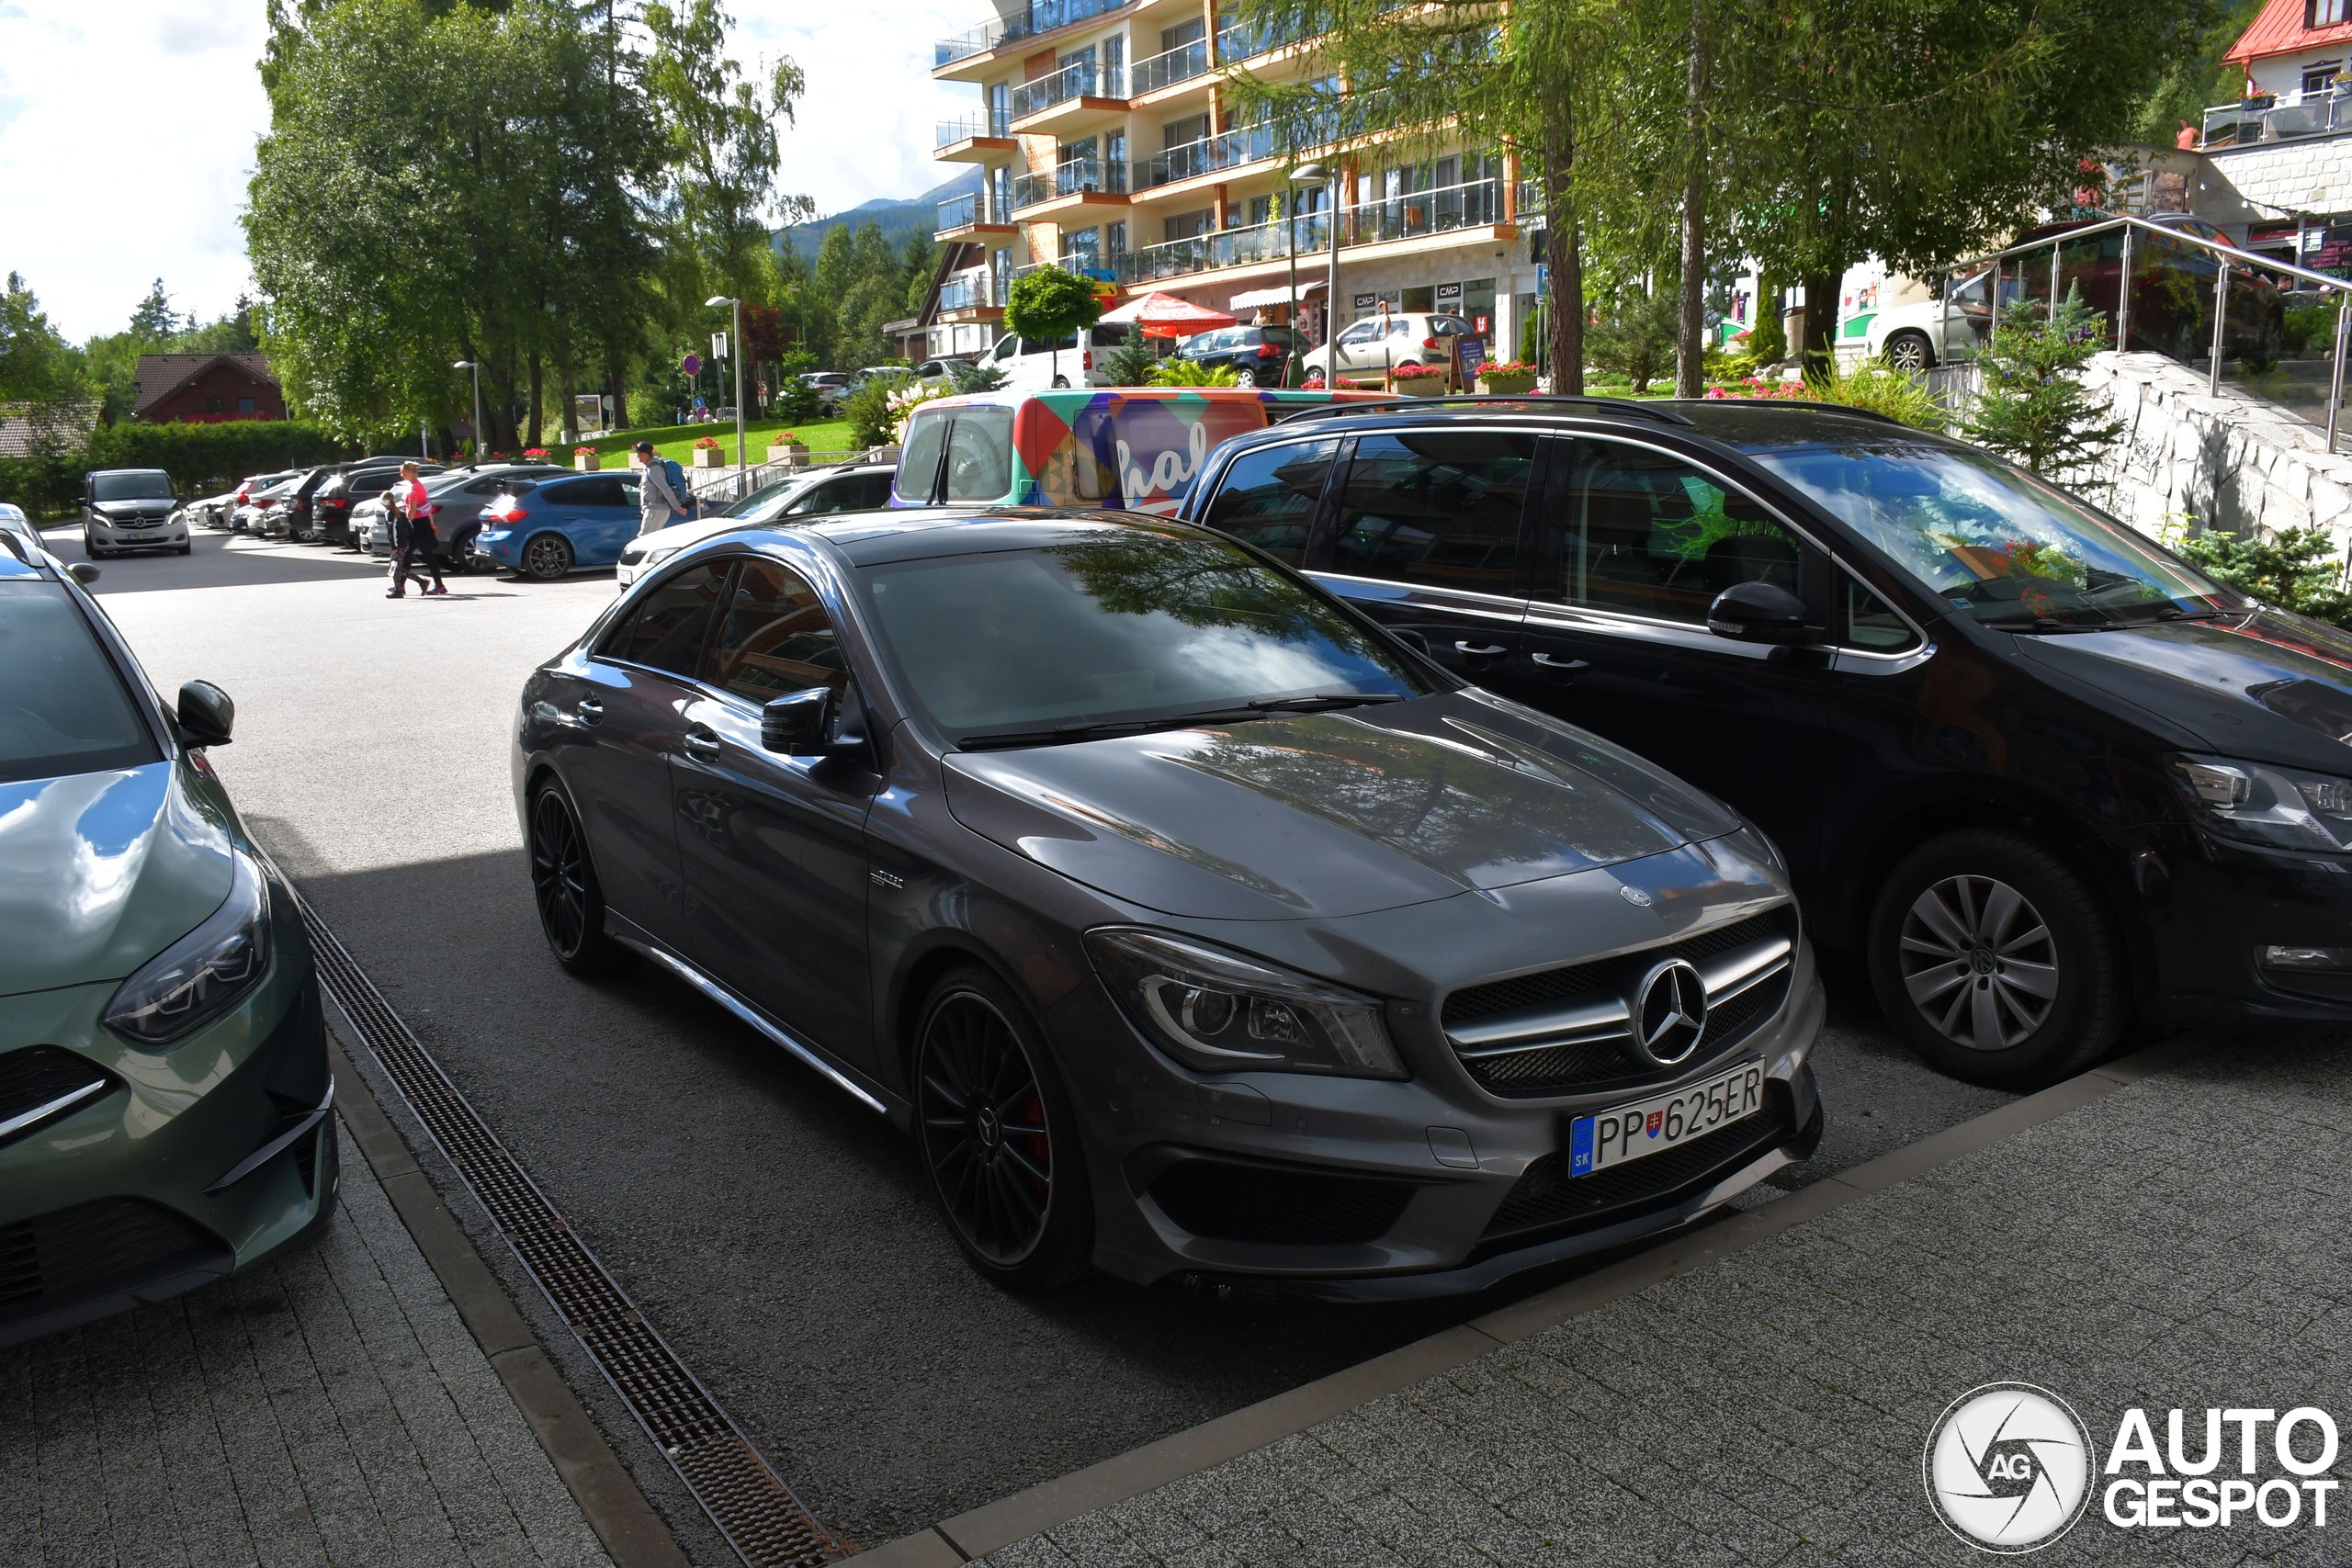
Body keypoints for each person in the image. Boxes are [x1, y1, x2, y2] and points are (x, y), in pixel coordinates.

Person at [387, 461, 447, 598]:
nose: (400, 474)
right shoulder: (416, 486)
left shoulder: (415, 489)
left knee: (427, 555)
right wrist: (430, 523)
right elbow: (427, 507)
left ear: (410, 472)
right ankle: (400, 586)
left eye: (402, 472)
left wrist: (405, 524)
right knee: (407, 554)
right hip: (419, 524)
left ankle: (439, 585)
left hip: (419, 525)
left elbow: (412, 512)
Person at [636, 440, 692, 536]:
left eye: (638, 453)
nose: (637, 456)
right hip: (654, 508)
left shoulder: (654, 469)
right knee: (651, 538)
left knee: (644, 537)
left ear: (645, 454)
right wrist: (644, 506)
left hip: (656, 509)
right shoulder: (650, 468)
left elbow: (665, 489)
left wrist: (677, 507)